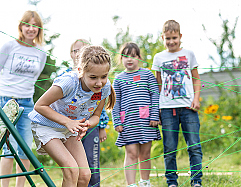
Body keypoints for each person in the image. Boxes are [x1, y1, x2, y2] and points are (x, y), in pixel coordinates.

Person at [28, 45, 116, 187]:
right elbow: (39, 106)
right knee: (71, 170)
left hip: (69, 127)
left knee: (85, 174)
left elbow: (96, 116)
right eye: (93, 77)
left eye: (104, 76)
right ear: (81, 71)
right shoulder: (69, 82)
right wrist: (68, 122)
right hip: (46, 125)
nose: (99, 83)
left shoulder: (104, 88)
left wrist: (87, 124)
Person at [151, 20, 203, 187]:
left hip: (188, 108)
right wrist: (157, 109)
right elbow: (157, 84)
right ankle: (172, 182)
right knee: (169, 148)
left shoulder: (189, 54)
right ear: (162, 38)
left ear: (180, 36)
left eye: (174, 38)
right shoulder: (159, 58)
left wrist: (196, 99)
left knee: (194, 145)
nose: (171, 41)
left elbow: (196, 78)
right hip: (167, 109)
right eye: (168, 38)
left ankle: (196, 180)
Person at [0, 10, 46, 187]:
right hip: (6, 100)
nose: (31, 29)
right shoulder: (10, 46)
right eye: (27, 24)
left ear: (39, 29)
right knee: (8, 147)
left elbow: (34, 78)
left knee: (26, 149)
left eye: (35, 26)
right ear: (21, 26)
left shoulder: (41, 53)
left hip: (27, 103)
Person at [112, 42, 161, 187]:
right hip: (128, 123)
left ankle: (145, 182)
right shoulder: (118, 79)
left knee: (145, 154)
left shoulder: (147, 74)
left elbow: (155, 95)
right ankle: (131, 184)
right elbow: (115, 101)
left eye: (133, 56)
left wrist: (154, 116)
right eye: (125, 56)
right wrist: (117, 122)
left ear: (139, 57)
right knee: (131, 153)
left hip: (146, 122)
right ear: (121, 59)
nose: (129, 59)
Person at [70, 39, 109, 187]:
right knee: (74, 166)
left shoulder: (100, 81)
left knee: (92, 161)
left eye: (82, 50)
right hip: (72, 126)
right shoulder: (68, 78)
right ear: (72, 54)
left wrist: (102, 126)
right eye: (75, 51)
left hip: (91, 125)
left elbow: (99, 108)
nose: (78, 53)